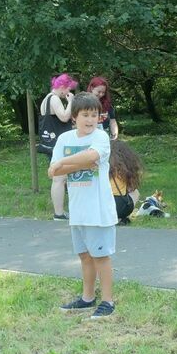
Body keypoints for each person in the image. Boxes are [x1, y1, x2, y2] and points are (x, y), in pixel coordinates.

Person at [50, 92, 118, 319]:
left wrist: (63, 162)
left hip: (98, 210)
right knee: (84, 256)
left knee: (101, 256)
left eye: (94, 115)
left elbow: (91, 157)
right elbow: (54, 172)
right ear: (74, 117)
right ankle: (87, 298)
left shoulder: (100, 137)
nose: (90, 120)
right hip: (77, 211)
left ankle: (108, 302)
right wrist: (66, 164)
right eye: (85, 115)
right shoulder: (65, 139)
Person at [40, 74, 77, 220]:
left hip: (49, 141)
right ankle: (59, 213)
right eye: (68, 88)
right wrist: (71, 101)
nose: (68, 92)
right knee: (59, 178)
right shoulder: (54, 98)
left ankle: (60, 212)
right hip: (56, 143)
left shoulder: (47, 98)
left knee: (59, 177)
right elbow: (63, 117)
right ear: (62, 87)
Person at [109, 138, 142, 224]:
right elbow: (131, 188)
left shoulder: (100, 167)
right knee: (136, 193)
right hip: (118, 207)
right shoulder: (123, 169)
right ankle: (122, 217)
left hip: (100, 207)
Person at [87, 76, 120, 140]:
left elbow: (112, 121)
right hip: (88, 137)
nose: (101, 94)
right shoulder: (83, 104)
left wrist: (114, 134)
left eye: (103, 92)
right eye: (99, 92)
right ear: (91, 88)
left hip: (105, 137)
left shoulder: (107, 104)